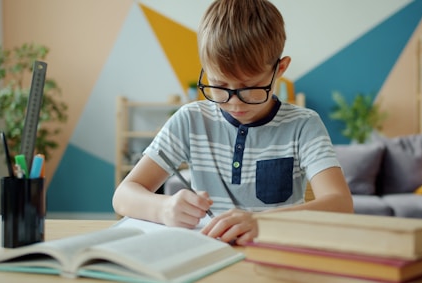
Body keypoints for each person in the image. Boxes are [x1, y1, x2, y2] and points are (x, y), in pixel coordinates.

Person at [112, 0, 353, 246]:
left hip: (276, 255)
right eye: (219, 85)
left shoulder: (304, 125)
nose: (235, 102)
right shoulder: (190, 120)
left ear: (280, 69)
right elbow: (123, 195)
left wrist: (263, 223)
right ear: (205, 70)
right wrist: (163, 208)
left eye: (249, 87)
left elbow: (341, 204)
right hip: (206, 254)